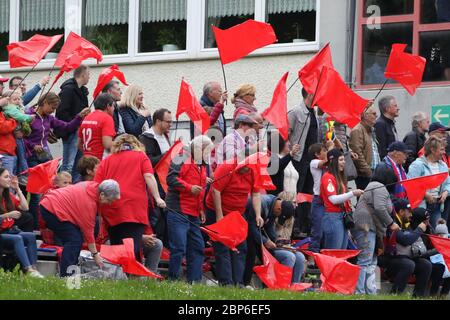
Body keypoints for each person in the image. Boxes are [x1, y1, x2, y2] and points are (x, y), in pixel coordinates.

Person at [94, 134, 166, 261]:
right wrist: (158, 197)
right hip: (134, 208)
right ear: (136, 145)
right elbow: (149, 176)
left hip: (111, 207)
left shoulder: (107, 160)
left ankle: (121, 276)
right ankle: (133, 276)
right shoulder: (141, 157)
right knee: (133, 247)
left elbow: (96, 184)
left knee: (117, 245)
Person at [25, 93, 90, 229]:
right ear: (45, 103)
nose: (53, 111)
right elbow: (21, 137)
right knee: (36, 193)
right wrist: (32, 145)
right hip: (31, 157)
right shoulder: (28, 116)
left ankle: (42, 224)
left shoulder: (49, 118)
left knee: (47, 190)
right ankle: (35, 226)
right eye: (52, 107)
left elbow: (66, 127)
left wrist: (79, 117)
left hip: (44, 158)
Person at [39, 179, 120, 277]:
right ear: (102, 195)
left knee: (75, 239)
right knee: (74, 240)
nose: (109, 203)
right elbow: (89, 234)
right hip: (51, 208)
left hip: (51, 204)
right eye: (109, 200)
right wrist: (95, 255)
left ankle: (68, 273)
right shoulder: (89, 204)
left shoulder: (92, 186)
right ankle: (66, 276)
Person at [205, 157, 263, 287]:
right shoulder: (226, 168)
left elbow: (256, 194)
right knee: (222, 247)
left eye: (249, 166)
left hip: (237, 214)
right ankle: (226, 283)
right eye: (244, 166)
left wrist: (258, 214)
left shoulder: (254, 171)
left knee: (240, 247)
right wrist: (219, 216)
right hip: (217, 209)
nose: (247, 169)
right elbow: (216, 190)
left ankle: (238, 283)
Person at [165, 135, 214, 283]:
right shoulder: (181, 157)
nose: (208, 154)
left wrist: (200, 209)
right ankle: (173, 280)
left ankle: (195, 281)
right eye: (206, 151)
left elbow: (198, 190)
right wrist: (189, 187)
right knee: (179, 246)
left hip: (192, 212)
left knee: (198, 246)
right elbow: (170, 179)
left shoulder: (201, 164)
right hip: (178, 210)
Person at [352, 165, 400, 295]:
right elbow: (379, 207)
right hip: (367, 226)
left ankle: (370, 292)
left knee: (372, 261)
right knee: (365, 260)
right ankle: (359, 292)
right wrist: (391, 223)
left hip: (371, 227)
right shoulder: (379, 186)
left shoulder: (373, 185)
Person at [246, 194, 305, 285]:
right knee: (289, 257)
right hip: (254, 243)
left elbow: (269, 227)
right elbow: (251, 229)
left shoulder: (275, 205)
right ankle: (281, 285)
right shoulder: (261, 204)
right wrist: (266, 241)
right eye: (279, 216)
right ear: (279, 210)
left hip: (267, 244)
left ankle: (294, 287)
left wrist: (279, 241)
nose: (277, 219)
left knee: (300, 256)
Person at [288, 88, 320, 236]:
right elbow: (285, 133)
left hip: (312, 160)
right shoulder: (295, 112)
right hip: (298, 159)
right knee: (297, 191)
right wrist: (289, 150)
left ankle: (304, 225)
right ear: (310, 94)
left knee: (308, 194)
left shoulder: (314, 112)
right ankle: (294, 225)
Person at [0, 168, 43, 278]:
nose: (9, 179)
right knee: (18, 238)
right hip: (2, 234)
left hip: (8, 231)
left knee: (30, 236)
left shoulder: (7, 195)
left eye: (9, 176)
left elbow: (25, 207)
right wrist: (8, 215)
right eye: (6, 177)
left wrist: (18, 189)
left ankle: (33, 268)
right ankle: (27, 269)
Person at [385, 201, 432, 297]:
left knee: (425, 265)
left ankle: (418, 297)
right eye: (409, 212)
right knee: (408, 264)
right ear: (401, 212)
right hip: (388, 258)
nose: (411, 215)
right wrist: (419, 229)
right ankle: (394, 295)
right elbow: (405, 240)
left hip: (402, 258)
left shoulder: (406, 223)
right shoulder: (392, 222)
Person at [320, 149, 364, 249]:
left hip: (342, 216)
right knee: (334, 253)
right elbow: (333, 199)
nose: (344, 162)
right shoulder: (328, 177)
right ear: (332, 161)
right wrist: (352, 193)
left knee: (342, 252)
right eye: (340, 160)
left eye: (343, 160)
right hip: (333, 217)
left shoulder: (339, 177)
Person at [55, 65, 90, 181]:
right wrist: (74, 124)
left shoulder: (83, 92)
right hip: (71, 132)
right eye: (88, 74)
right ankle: (62, 189)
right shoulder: (68, 90)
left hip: (80, 132)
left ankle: (73, 189)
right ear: (83, 75)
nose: (89, 77)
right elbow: (61, 112)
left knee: (78, 164)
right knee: (68, 165)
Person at [408, 136, 450, 228]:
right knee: (423, 234)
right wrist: (425, 195)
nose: (444, 153)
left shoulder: (443, 165)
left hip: (437, 206)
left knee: (436, 233)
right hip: (422, 206)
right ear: (433, 150)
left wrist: (446, 192)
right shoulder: (417, 165)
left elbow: (448, 183)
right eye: (441, 150)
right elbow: (411, 185)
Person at [1, 90, 33, 181]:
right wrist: (27, 118)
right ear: (7, 101)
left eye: (19, 99)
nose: (18, 101)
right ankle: (24, 173)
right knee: (21, 155)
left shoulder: (16, 107)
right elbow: (4, 126)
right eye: (15, 99)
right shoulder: (9, 108)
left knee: (21, 155)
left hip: (11, 146)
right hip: (7, 148)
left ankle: (22, 174)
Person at [349, 106, 381, 190]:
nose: (376, 116)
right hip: (365, 175)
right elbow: (357, 154)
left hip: (373, 173)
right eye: (373, 114)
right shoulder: (357, 130)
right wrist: (368, 172)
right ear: (365, 115)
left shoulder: (370, 130)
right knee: (365, 200)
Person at [78, 93, 116, 161]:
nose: (114, 109)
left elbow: (79, 144)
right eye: (113, 106)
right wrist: (121, 144)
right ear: (108, 106)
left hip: (86, 160)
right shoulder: (107, 118)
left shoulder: (87, 118)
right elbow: (107, 144)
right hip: (99, 160)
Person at [308, 143, 328, 254]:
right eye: (324, 150)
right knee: (317, 231)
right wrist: (330, 148)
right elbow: (326, 162)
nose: (327, 152)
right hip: (318, 200)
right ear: (317, 154)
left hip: (329, 199)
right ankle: (313, 256)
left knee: (327, 231)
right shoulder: (314, 162)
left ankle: (323, 257)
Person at [267, 132, 301, 197]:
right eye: (286, 141)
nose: (289, 143)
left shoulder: (290, 161)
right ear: (279, 143)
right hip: (278, 202)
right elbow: (277, 167)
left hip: (292, 202)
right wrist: (291, 154)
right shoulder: (271, 158)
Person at [429, 219, 450, 297]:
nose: (440, 236)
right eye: (439, 234)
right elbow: (429, 252)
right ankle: (433, 294)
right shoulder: (432, 240)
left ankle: (443, 295)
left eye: (443, 234)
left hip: (446, 261)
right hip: (435, 262)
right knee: (440, 268)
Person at [375, 95, 400, 160]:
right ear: (387, 109)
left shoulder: (391, 123)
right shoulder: (380, 124)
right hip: (387, 165)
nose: (398, 108)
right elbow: (382, 149)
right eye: (395, 106)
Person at [0, 103, 18, 175]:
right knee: (7, 182)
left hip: (10, 153)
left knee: (11, 181)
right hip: (4, 154)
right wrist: (13, 120)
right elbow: (3, 127)